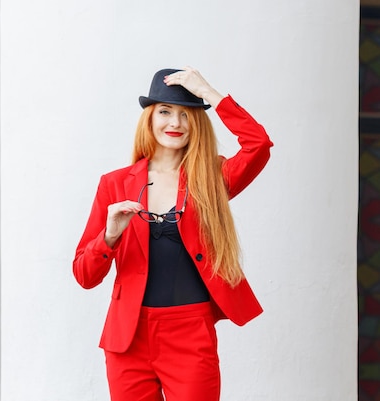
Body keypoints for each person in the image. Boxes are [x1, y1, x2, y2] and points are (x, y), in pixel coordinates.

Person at [72, 66, 273, 401]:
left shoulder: (211, 178)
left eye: (186, 114)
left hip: (190, 333)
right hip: (128, 339)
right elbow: (84, 275)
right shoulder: (115, 183)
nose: (175, 123)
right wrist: (109, 236)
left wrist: (209, 93)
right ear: (149, 118)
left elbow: (259, 144)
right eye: (165, 111)